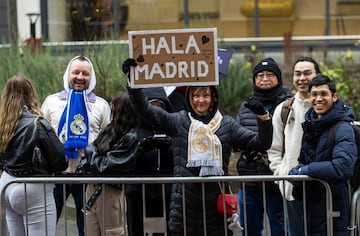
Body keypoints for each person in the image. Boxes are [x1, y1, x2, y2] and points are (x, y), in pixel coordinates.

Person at [122, 58, 273, 236]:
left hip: (216, 207)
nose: (201, 100)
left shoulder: (227, 125)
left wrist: (263, 118)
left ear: (213, 98)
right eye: (196, 96)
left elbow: (260, 143)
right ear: (189, 98)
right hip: (184, 206)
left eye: (205, 95)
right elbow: (146, 110)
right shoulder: (178, 121)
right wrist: (133, 82)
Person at [41, 55, 111, 236]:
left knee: (86, 229)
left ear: (91, 77)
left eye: (85, 73)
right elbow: (40, 135)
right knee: (46, 226)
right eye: (76, 72)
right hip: (56, 176)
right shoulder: (52, 102)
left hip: (87, 177)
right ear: (68, 75)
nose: (80, 77)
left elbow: (109, 139)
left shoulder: (101, 105)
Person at [0, 73, 67, 236]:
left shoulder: (2, 124)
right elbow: (60, 160)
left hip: (6, 185)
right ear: (30, 94)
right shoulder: (38, 123)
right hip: (33, 187)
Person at [288, 74, 356, 235]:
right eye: (314, 94)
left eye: (323, 94)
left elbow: (343, 167)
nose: (318, 99)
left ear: (334, 97)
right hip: (313, 207)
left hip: (334, 209)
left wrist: (305, 171)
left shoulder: (343, 127)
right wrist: (295, 174)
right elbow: (302, 162)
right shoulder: (311, 126)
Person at [236, 58, 291, 235]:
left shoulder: (289, 105)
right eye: (260, 75)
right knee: (248, 230)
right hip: (249, 183)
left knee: (280, 229)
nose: (264, 78)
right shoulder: (246, 106)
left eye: (270, 75)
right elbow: (237, 136)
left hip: (278, 181)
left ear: (279, 78)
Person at [268, 56, 321, 236]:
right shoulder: (284, 109)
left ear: (318, 75)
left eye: (307, 73)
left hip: (324, 190)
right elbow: (273, 149)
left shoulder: (328, 107)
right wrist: (281, 176)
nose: (302, 78)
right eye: (298, 74)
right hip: (292, 190)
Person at [79, 91, 137, 236]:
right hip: (93, 190)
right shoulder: (109, 129)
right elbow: (90, 160)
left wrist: (90, 152)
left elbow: (105, 166)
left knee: (112, 232)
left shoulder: (130, 137)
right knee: (91, 232)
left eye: (114, 105)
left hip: (110, 193)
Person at [125, 87, 174, 236]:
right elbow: (124, 160)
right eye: (151, 107)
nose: (155, 112)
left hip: (166, 190)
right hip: (137, 190)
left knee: (168, 229)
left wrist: (169, 147)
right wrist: (140, 149)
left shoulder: (172, 128)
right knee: (135, 228)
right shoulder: (132, 130)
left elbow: (181, 158)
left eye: (159, 108)